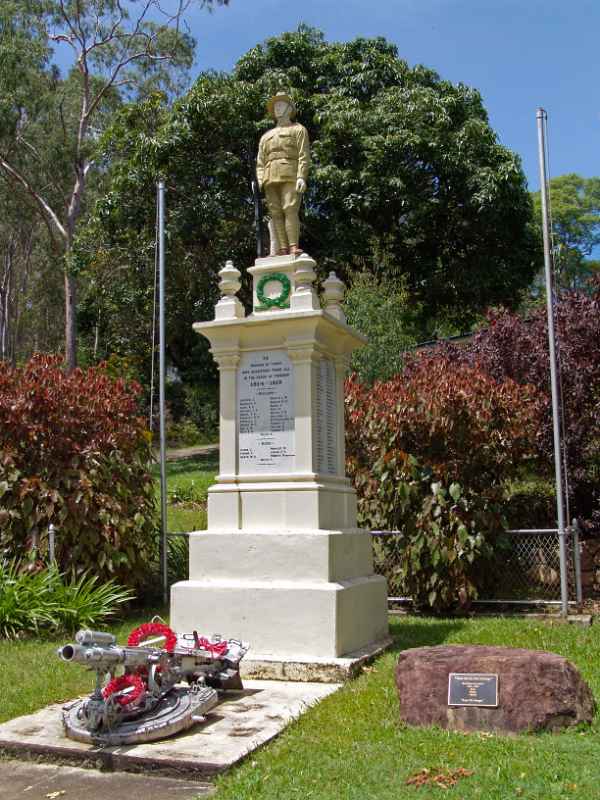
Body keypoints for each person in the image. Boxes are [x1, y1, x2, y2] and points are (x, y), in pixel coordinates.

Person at [256, 92, 310, 256]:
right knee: (276, 213)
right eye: (276, 106)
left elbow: (304, 155)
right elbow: (260, 162)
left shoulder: (298, 129)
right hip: (269, 178)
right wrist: (260, 181)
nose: (278, 108)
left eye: (281, 105)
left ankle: (293, 246)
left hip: (290, 174)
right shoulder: (266, 136)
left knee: (290, 209)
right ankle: (282, 248)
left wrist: (301, 176)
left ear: (289, 108)